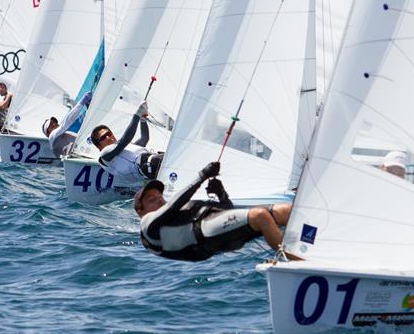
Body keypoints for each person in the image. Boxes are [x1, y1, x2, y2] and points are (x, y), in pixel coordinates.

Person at [136, 161, 291, 262]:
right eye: (151, 199)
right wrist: (201, 176)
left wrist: (221, 194)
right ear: (140, 211)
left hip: (213, 229)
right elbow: (173, 206)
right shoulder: (147, 224)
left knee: (286, 211)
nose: (159, 200)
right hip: (202, 238)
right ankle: (295, 262)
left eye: (160, 196)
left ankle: (312, 248)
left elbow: (228, 213)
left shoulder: (179, 211)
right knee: (260, 216)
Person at [91, 101, 163, 181]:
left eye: (109, 133)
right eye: (103, 137)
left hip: (151, 163)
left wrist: (143, 120)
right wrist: (137, 115)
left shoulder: (127, 147)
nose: (108, 137)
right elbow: (125, 140)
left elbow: (144, 139)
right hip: (148, 166)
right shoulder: (105, 154)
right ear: (99, 146)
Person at [42, 91, 92, 157]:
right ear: (48, 134)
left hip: (77, 158)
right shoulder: (52, 136)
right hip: (71, 161)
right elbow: (67, 121)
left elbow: (80, 138)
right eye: (51, 125)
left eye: (54, 122)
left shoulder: (65, 135)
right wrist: (81, 102)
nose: (54, 124)